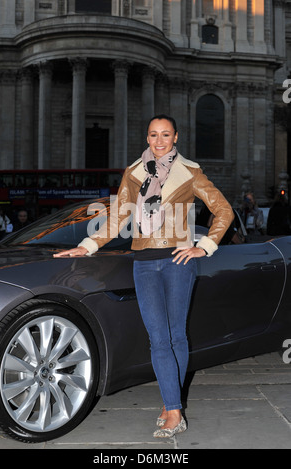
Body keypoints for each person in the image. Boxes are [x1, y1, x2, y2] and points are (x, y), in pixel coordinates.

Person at [54, 115, 234, 438]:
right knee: (158, 337)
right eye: (154, 134)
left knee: (177, 335)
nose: (160, 140)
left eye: (166, 134)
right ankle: (173, 403)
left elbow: (224, 210)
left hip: (179, 260)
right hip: (144, 262)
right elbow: (118, 215)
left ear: (176, 136)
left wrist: (204, 246)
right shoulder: (134, 173)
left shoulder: (190, 172)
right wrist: (87, 245)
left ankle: (172, 409)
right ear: (147, 138)